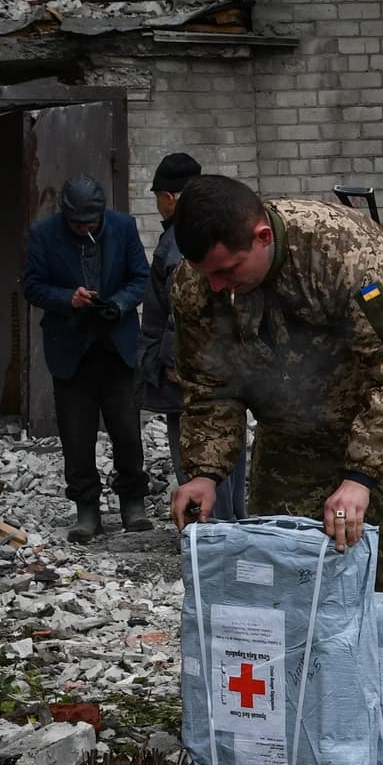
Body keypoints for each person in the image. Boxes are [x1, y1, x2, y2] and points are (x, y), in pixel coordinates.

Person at [166, 174, 383, 597]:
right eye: (206, 274)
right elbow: (208, 384)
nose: (217, 286)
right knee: (287, 588)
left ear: (263, 237)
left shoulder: (345, 252)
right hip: (291, 445)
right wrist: (205, 473)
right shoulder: (197, 285)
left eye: (228, 270)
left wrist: (361, 476)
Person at [21, 174, 151, 543]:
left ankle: (133, 502)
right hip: (71, 351)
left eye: (91, 223)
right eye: (78, 224)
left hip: (116, 349)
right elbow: (32, 286)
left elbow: (140, 278)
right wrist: (68, 298)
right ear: (65, 217)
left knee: (127, 432)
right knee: (76, 436)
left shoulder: (123, 227)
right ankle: (86, 509)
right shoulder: (43, 234)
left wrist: (120, 303)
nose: (85, 229)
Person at [138, 152, 246, 520]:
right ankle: (232, 524)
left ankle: (213, 530)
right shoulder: (211, 231)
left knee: (197, 452)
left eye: (158, 197)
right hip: (222, 363)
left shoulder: (179, 241)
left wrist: (171, 361)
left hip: (190, 369)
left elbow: (177, 309)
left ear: (169, 198)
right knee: (227, 442)